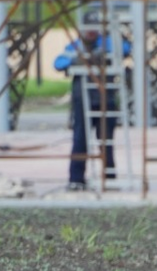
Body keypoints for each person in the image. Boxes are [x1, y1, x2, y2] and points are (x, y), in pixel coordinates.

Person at [54, 28, 129, 190]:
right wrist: (76, 59)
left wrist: (105, 53)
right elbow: (58, 63)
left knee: (106, 141)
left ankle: (109, 178)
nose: (90, 33)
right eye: (87, 30)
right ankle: (76, 179)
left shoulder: (108, 43)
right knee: (80, 139)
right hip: (83, 99)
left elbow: (125, 49)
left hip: (105, 98)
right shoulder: (74, 47)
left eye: (93, 29)